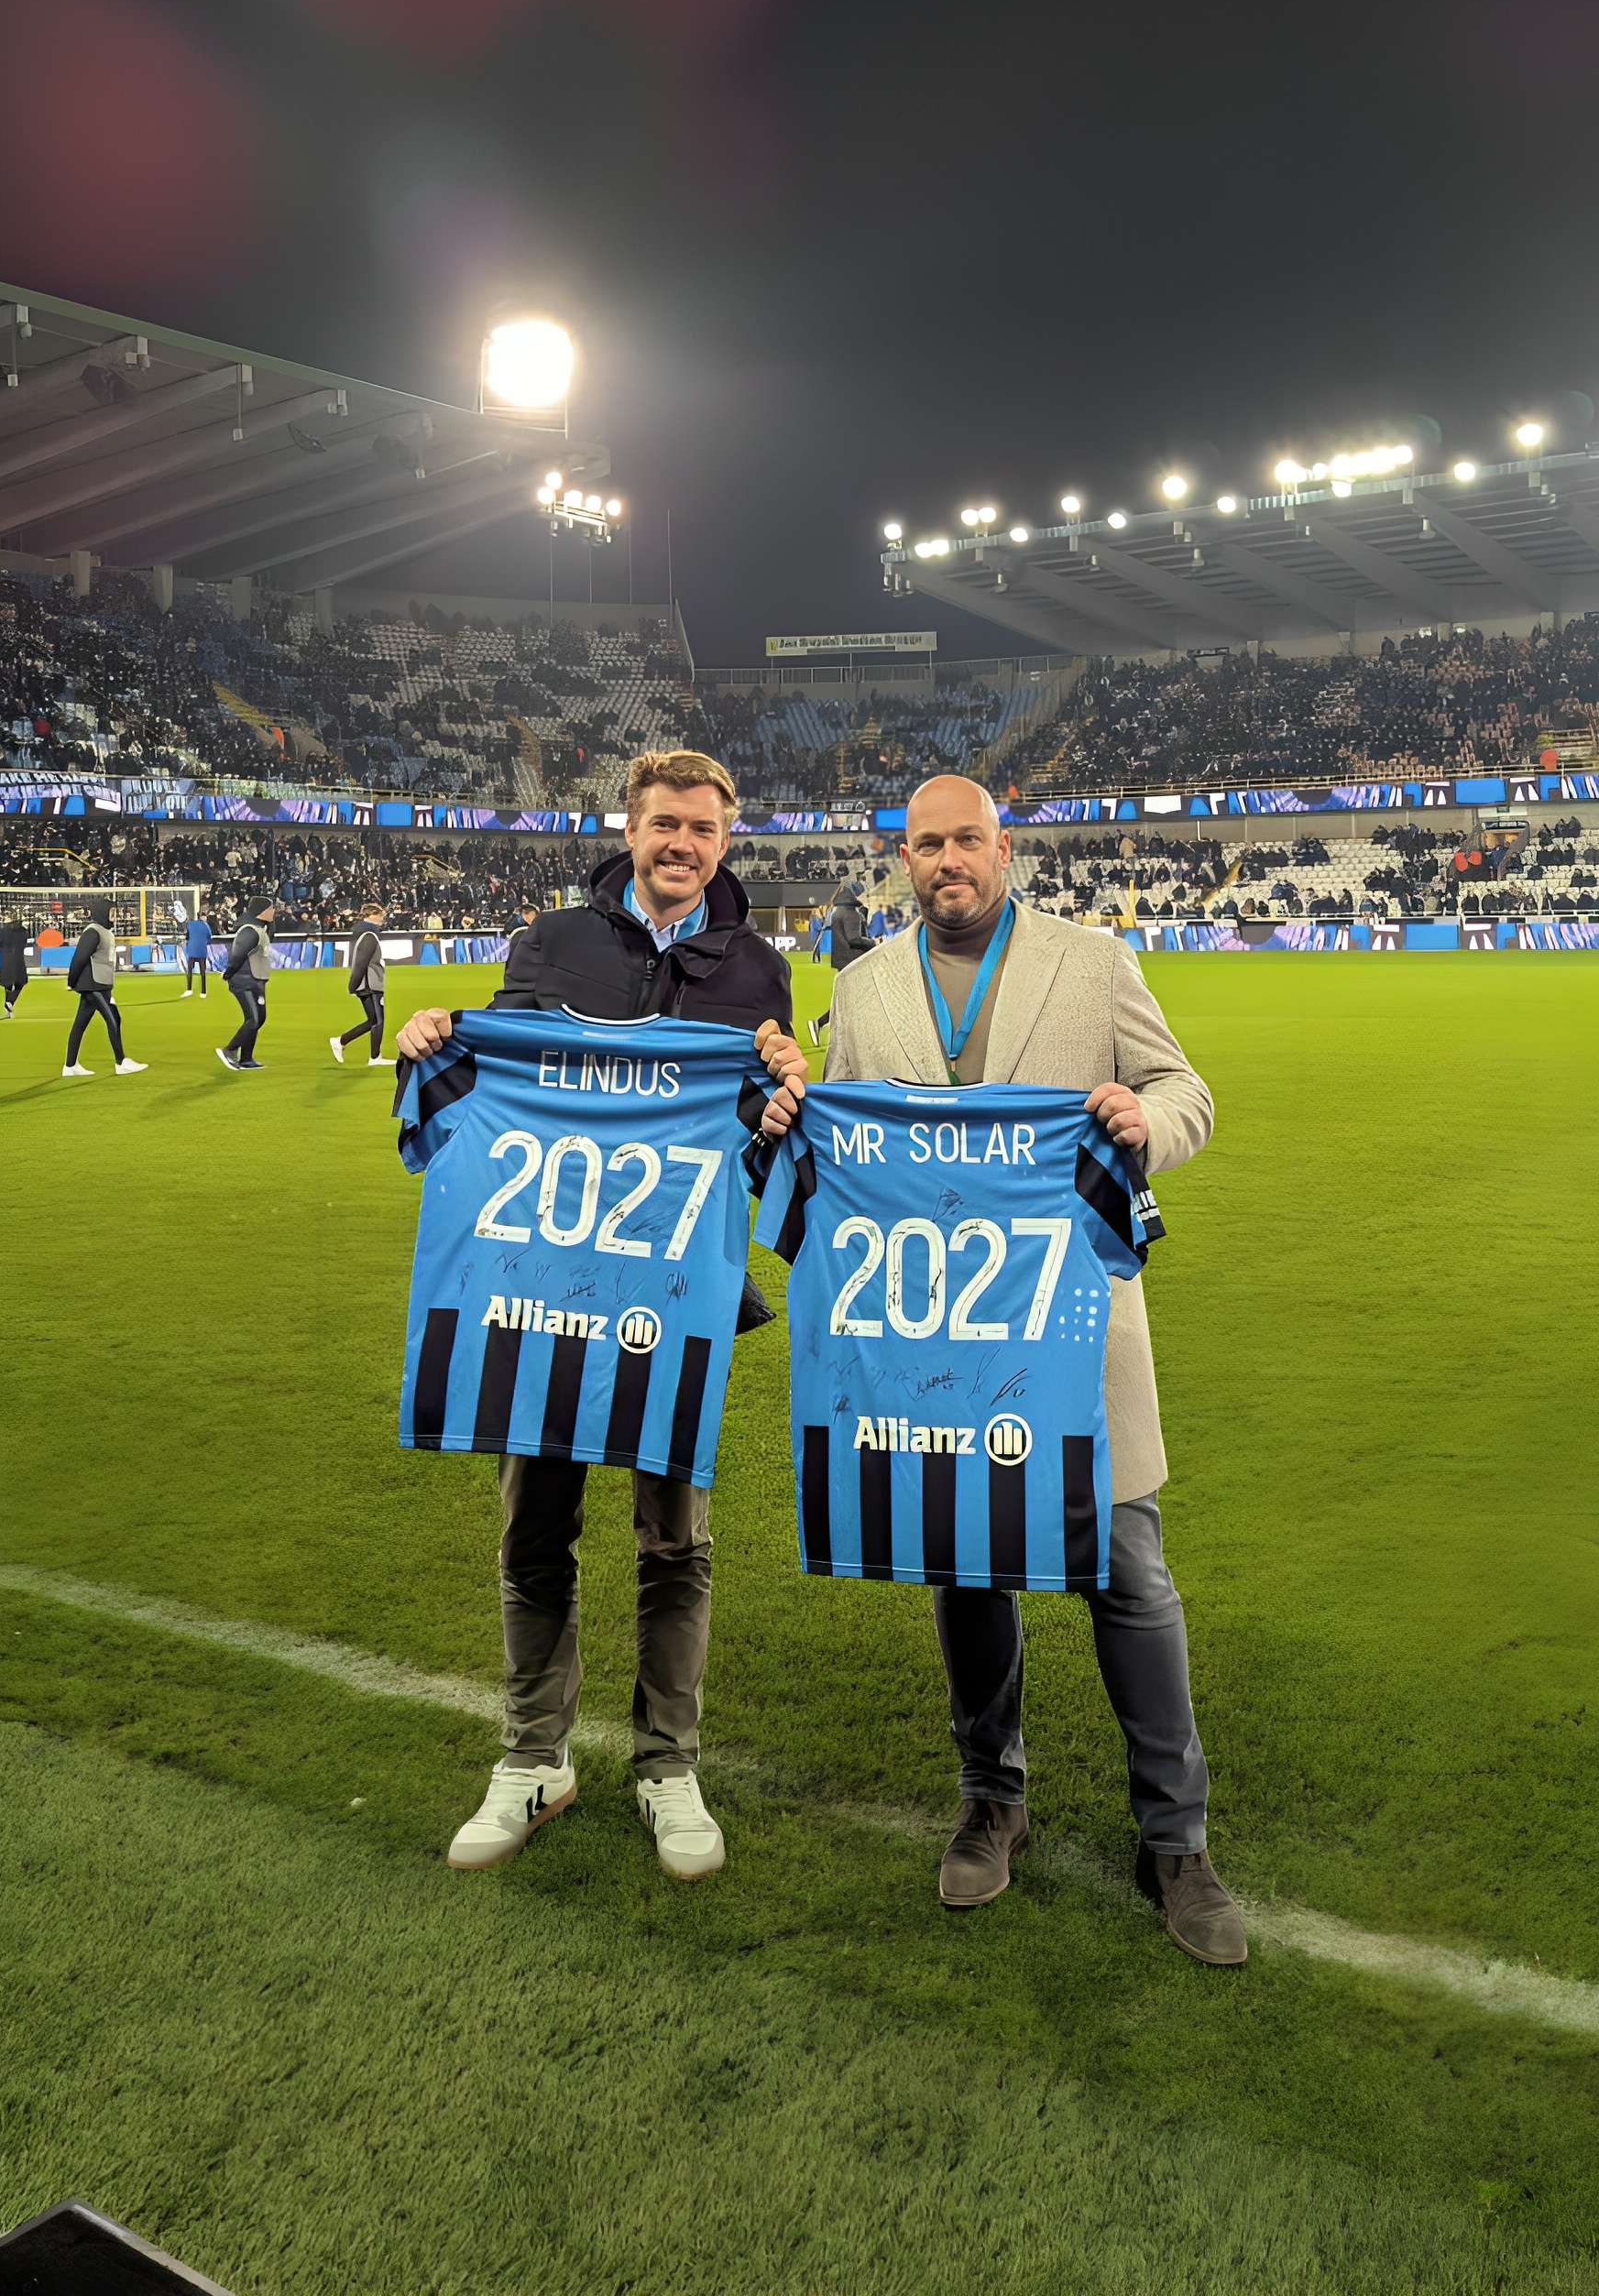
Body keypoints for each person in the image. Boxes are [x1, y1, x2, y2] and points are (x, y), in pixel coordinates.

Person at [824, 773, 1245, 1966]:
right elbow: (851, 1154)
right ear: (901, 859)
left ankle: (1176, 1839)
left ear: (1003, 847)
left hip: (1077, 1325)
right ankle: (991, 1795)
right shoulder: (862, 988)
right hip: (938, 1338)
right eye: (925, 844)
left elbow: (1189, 1093)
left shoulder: (1094, 961)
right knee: (965, 1570)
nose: (947, 859)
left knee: (1126, 1568)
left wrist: (1141, 1125)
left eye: (966, 839)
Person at [395, 749, 806, 1885]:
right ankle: (535, 1755)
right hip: (543, 1291)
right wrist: (436, 1036)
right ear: (628, 827)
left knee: (676, 1541)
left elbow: (753, 1154)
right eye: (665, 823)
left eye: (704, 830)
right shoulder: (553, 941)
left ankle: (668, 1762)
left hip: (679, 1298)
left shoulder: (757, 971)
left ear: (726, 843)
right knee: (536, 1529)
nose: (683, 844)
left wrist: (782, 1097)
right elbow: (496, 1088)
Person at [63, 903, 148, 1078]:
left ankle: (70, 1066)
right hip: (93, 985)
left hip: (99, 985)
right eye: (112, 912)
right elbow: (79, 958)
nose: (115, 916)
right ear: (102, 913)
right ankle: (121, 1062)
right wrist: (72, 981)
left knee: (80, 1024)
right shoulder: (93, 932)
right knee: (113, 1019)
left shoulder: (104, 931)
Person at [806, 877, 875, 1045]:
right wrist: (873, 943)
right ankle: (822, 1023)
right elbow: (854, 939)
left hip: (841, 960)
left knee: (848, 1000)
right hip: (853, 961)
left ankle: (831, 1028)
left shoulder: (838, 912)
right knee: (856, 999)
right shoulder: (852, 914)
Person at [217, 897, 275, 1072]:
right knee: (253, 1019)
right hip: (244, 981)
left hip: (257, 981)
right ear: (261, 911)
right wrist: (228, 974)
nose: (274, 912)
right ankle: (229, 1050)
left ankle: (246, 1059)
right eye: (271, 909)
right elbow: (237, 956)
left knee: (259, 1019)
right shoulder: (249, 931)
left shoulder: (260, 930)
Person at [331, 904, 390, 1066]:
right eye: (380, 915)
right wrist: (354, 984)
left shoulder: (364, 934)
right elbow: (361, 963)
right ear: (371, 915)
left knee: (373, 1020)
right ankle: (375, 1057)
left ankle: (341, 1041)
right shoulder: (370, 935)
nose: (383, 919)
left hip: (367, 984)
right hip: (370, 985)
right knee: (378, 1020)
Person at [0, 915, 29, 1020]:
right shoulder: (22, 931)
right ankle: (10, 1002)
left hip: (6, 960)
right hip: (18, 959)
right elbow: (25, 942)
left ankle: (8, 1002)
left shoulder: (2, 931)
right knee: (20, 982)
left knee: (7, 983)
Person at [181, 909, 213, 1000]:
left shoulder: (191, 924)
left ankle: (189, 989)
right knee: (203, 972)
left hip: (191, 950)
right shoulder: (206, 926)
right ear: (204, 917)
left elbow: (187, 936)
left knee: (189, 971)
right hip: (201, 951)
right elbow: (209, 937)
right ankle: (203, 991)